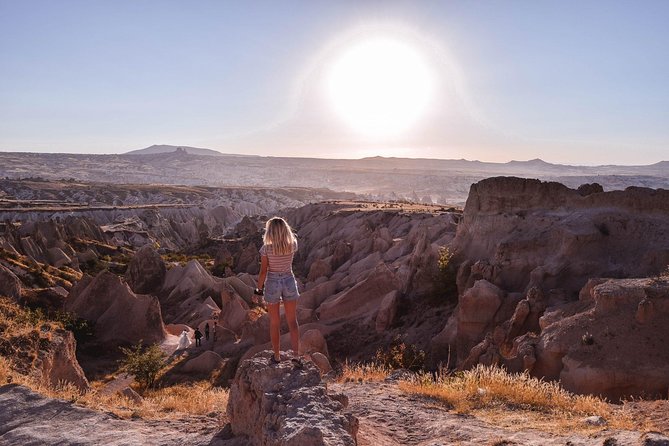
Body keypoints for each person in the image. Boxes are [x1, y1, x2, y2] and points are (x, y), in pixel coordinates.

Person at [256, 217, 301, 365]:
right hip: (289, 280)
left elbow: (263, 272)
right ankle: (296, 356)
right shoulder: (292, 245)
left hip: (273, 282)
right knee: (292, 321)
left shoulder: (266, 248)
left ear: (270, 231)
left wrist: (257, 291)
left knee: (274, 323)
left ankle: (276, 356)